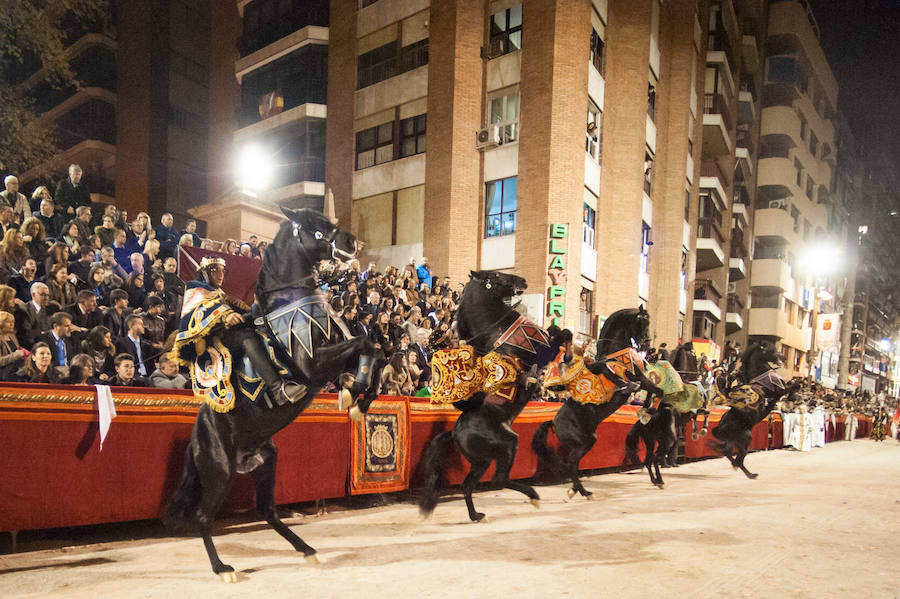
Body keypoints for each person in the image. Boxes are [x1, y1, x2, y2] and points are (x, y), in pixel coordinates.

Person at [172, 256, 304, 405]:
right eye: (215, 270)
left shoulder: (223, 296)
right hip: (212, 343)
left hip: (229, 336)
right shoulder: (196, 288)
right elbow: (200, 310)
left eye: (223, 271)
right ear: (204, 273)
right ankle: (277, 389)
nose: (220, 275)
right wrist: (225, 316)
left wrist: (259, 306)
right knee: (246, 337)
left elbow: (244, 314)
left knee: (262, 331)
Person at [15, 282, 53, 349]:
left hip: (48, 346)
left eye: (48, 295)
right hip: (31, 346)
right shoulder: (24, 310)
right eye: (43, 295)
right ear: (33, 295)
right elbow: (27, 334)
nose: (46, 298)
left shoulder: (51, 309)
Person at [0, 310, 28, 380]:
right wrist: (16, 355)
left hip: (16, 368)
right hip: (3, 372)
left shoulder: (12, 336)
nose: (12, 324)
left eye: (12, 322)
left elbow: (17, 350)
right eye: (8, 322)